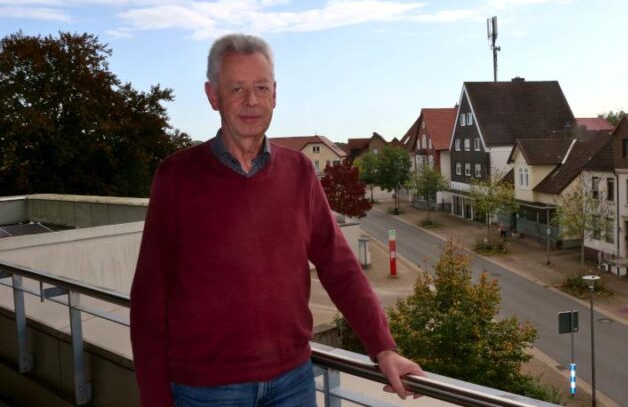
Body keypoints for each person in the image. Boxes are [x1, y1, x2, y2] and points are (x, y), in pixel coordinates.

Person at [130, 33, 423, 407]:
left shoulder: (299, 171)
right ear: (212, 96)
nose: (251, 101)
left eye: (261, 88)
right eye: (237, 88)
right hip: (207, 390)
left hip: (293, 383)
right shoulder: (177, 177)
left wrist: (383, 347)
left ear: (275, 94)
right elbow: (149, 298)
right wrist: (155, 398)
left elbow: (339, 266)